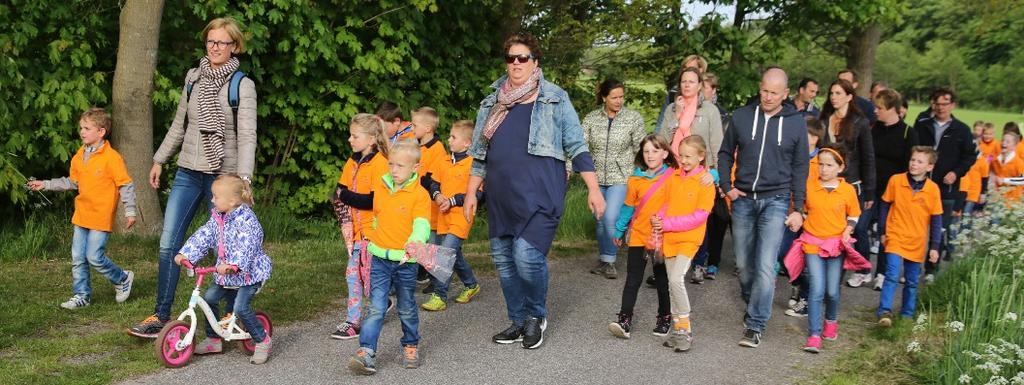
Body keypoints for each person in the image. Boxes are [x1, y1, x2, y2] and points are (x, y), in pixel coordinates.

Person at [463, 33, 605, 350]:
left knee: (526, 256)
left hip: (541, 193)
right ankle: (517, 319)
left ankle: (536, 316)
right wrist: (472, 193)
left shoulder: (554, 97)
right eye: (511, 58)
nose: (516, 63)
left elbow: (577, 146)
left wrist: (594, 190)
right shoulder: (492, 102)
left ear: (535, 62)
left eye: (523, 58)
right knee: (504, 261)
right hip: (501, 197)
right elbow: (479, 154)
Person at [130, 17, 257, 337]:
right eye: (210, 42)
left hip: (224, 177)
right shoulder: (193, 77)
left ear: (235, 46)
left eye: (222, 43)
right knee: (169, 244)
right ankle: (160, 315)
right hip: (188, 170)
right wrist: (160, 159)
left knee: (224, 250)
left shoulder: (242, 85)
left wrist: (244, 180)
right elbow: (179, 124)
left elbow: (247, 136)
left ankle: (229, 316)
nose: (215, 48)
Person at [718, 67, 809, 348]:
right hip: (743, 198)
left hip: (777, 200)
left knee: (766, 266)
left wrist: (799, 208)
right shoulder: (743, 117)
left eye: (774, 92)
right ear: (760, 88)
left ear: (785, 93)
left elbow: (800, 166)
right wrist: (726, 185)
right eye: (764, 90)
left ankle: (756, 324)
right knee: (744, 265)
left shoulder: (796, 123)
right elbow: (724, 152)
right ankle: (752, 298)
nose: (768, 96)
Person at [27, 107, 136, 310]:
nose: (82, 132)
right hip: (81, 215)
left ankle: (122, 278)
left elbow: (125, 184)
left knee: (94, 256)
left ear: (101, 132)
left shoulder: (112, 158)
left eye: (86, 128)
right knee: (78, 258)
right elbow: (72, 182)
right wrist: (46, 184)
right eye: (81, 128)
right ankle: (82, 296)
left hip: (100, 216)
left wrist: (130, 210)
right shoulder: (79, 156)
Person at [348, 139, 430, 374]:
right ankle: (366, 352)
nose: (393, 170)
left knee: (406, 307)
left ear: (415, 167)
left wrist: (416, 240)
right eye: (391, 164)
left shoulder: (420, 195)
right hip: (380, 259)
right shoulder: (382, 188)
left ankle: (411, 344)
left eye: (400, 166)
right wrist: (371, 237)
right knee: (376, 307)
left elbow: (422, 224)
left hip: (405, 261)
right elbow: (376, 217)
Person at [173, 174, 273, 364]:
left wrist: (234, 265)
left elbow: (248, 246)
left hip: (248, 274)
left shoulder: (247, 220)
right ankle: (213, 338)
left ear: (232, 200)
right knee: (209, 297)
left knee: (240, 308)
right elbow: (204, 235)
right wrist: (186, 254)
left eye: (216, 197)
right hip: (226, 274)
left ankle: (262, 340)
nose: (212, 200)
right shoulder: (218, 218)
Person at [780, 147, 870, 353]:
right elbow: (802, 210)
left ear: (840, 168)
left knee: (832, 291)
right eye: (820, 164)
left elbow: (855, 214)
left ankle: (831, 322)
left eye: (829, 165)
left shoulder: (847, 190)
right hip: (812, 242)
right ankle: (813, 334)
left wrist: (848, 230)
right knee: (817, 289)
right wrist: (797, 218)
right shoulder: (809, 187)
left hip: (836, 245)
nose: (824, 169)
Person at [656, 66, 722, 283]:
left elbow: (715, 143)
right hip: (674, 168)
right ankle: (666, 264)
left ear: (700, 85)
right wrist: (676, 116)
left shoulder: (709, 110)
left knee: (698, 217)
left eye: (691, 82)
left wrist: (714, 171)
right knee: (671, 213)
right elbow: (662, 139)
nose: (686, 85)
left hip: (700, 171)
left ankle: (698, 263)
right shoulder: (672, 108)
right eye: (683, 81)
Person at [608, 135, 677, 340]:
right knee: (632, 279)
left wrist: (714, 176)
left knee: (662, 280)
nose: (650, 155)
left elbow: (692, 186)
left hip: (662, 238)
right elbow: (628, 208)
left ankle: (664, 317)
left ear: (665, 153)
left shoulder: (675, 176)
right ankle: (624, 320)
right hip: (639, 235)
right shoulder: (635, 179)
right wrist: (619, 230)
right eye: (646, 151)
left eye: (655, 151)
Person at [652, 135, 716, 352]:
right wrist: (658, 218)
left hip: (689, 239)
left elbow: (699, 216)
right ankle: (677, 329)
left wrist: (668, 223)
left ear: (701, 156)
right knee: (671, 283)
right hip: (670, 237)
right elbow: (666, 203)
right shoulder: (674, 177)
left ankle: (685, 329)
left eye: (689, 156)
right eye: (681, 156)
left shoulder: (705, 182)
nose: (684, 160)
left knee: (676, 279)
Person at [330, 113, 391, 340]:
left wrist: (346, 195)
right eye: (350, 135)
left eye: (355, 136)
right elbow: (339, 190)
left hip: (374, 232)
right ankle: (377, 305)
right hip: (355, 232)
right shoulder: (352, 161)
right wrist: (345, 195)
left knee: (358, 275)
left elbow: (372, 201)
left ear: (372, 139)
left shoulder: (381, 164)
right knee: (358, 275)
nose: (350, 139)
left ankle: (354, 322)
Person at [581, 78, 646, 279]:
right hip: (596, 177)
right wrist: (568, 168)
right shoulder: (591, 119)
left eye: (622, 96)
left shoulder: (633, 118)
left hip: (622, 176)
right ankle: (604, 258)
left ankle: (610, 260)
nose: (619, 101)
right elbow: (580, 147)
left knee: (610, 218)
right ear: (604, 98)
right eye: (614, 97)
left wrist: (643, 173)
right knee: (599, 219)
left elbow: (641, 148)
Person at [818, 79, 877, 289]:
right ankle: (820, 281)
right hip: (825, 182)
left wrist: (870, 191)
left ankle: (836, 283)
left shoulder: (860, 122)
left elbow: (868, 156)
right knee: (825, 231)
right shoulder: (824, 118)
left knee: (847, 232)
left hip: (851, 183)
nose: (834, 97)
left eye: (839, 93)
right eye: (831, 93)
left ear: (850, 97)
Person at [912, 87, 974, 283]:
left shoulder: (961, 129)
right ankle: (912, 265)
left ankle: (931, 268)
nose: (940, 107)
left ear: (952, 105)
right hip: (921, 184)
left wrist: (956, 173)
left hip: (946, 188)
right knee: (916, 226)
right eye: (937, 104)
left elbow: (969, 156)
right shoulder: (922, 125)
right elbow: (913, 150)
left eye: (944, 104)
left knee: (938, 229)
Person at [876, 147, 943, 327]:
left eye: (919, 161)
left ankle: (907, 315)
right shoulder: (896, 181)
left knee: (912, 281)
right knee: (891, 274)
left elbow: (936, 220)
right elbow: (884, 205)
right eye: (913, 160)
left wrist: (935, 246)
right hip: (895, 236)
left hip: (917, 241)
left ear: (929, 167)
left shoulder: (933, 190)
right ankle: (884, 311)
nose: (914, 164)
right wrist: (882, 231)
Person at [422, 120, 482, 311]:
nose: (449, 140)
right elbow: (433, 183)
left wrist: (454, 200)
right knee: (454, 255)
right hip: (443, 218)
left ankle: (439, 296)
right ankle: (471, 285)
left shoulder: (475, 165)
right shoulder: (444, 161)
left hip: (461, 217)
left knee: (445, 254)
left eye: (453, 137)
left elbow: (478, 193)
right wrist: (437, 195)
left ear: (467, 143)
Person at [867, 89, 918, 290]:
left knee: (884, 231)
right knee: (861, 228)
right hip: (871, 187)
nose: (875, 111)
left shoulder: (908, 133)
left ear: (892, 109)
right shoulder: (874, 129)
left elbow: (910, 165)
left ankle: (881, 272)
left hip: (893, 192)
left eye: (879, 108)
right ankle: (863, 268)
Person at [782, 117, 826, 318]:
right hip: (790, 213)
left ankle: (805, 300)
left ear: (815, 138)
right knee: (783, 253)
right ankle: (797, 283)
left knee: (810, 260)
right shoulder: (791, 156)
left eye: (804, 134)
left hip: (812, 218)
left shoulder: (822, 162)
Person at [412, 106, 448, 293]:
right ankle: (429, 276)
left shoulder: (437, 148)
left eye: (415, 124)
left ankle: (438, 282)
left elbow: (433, 180)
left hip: (433, 209)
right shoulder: (417, 147)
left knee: (435, 245)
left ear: (428, 128)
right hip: (419, 206)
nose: (412, 127)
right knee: (425, 244)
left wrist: (420, 178)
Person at [655, 55, 709, 133]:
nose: (686, 70)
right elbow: (661, 123)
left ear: (701, 70)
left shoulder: (707, 94)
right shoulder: (673, 93)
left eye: (691, 68)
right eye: (685, 67)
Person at [990, 132, 1024, 204]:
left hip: (1012, 202)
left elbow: (1022, 179)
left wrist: (1004, 180)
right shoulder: (995, 160)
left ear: (1014, 146)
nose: (1003, 143)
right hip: (997, 200)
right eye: (1002, 140)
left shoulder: (1019, 163)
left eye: (1008, 142)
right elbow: (990, 170)